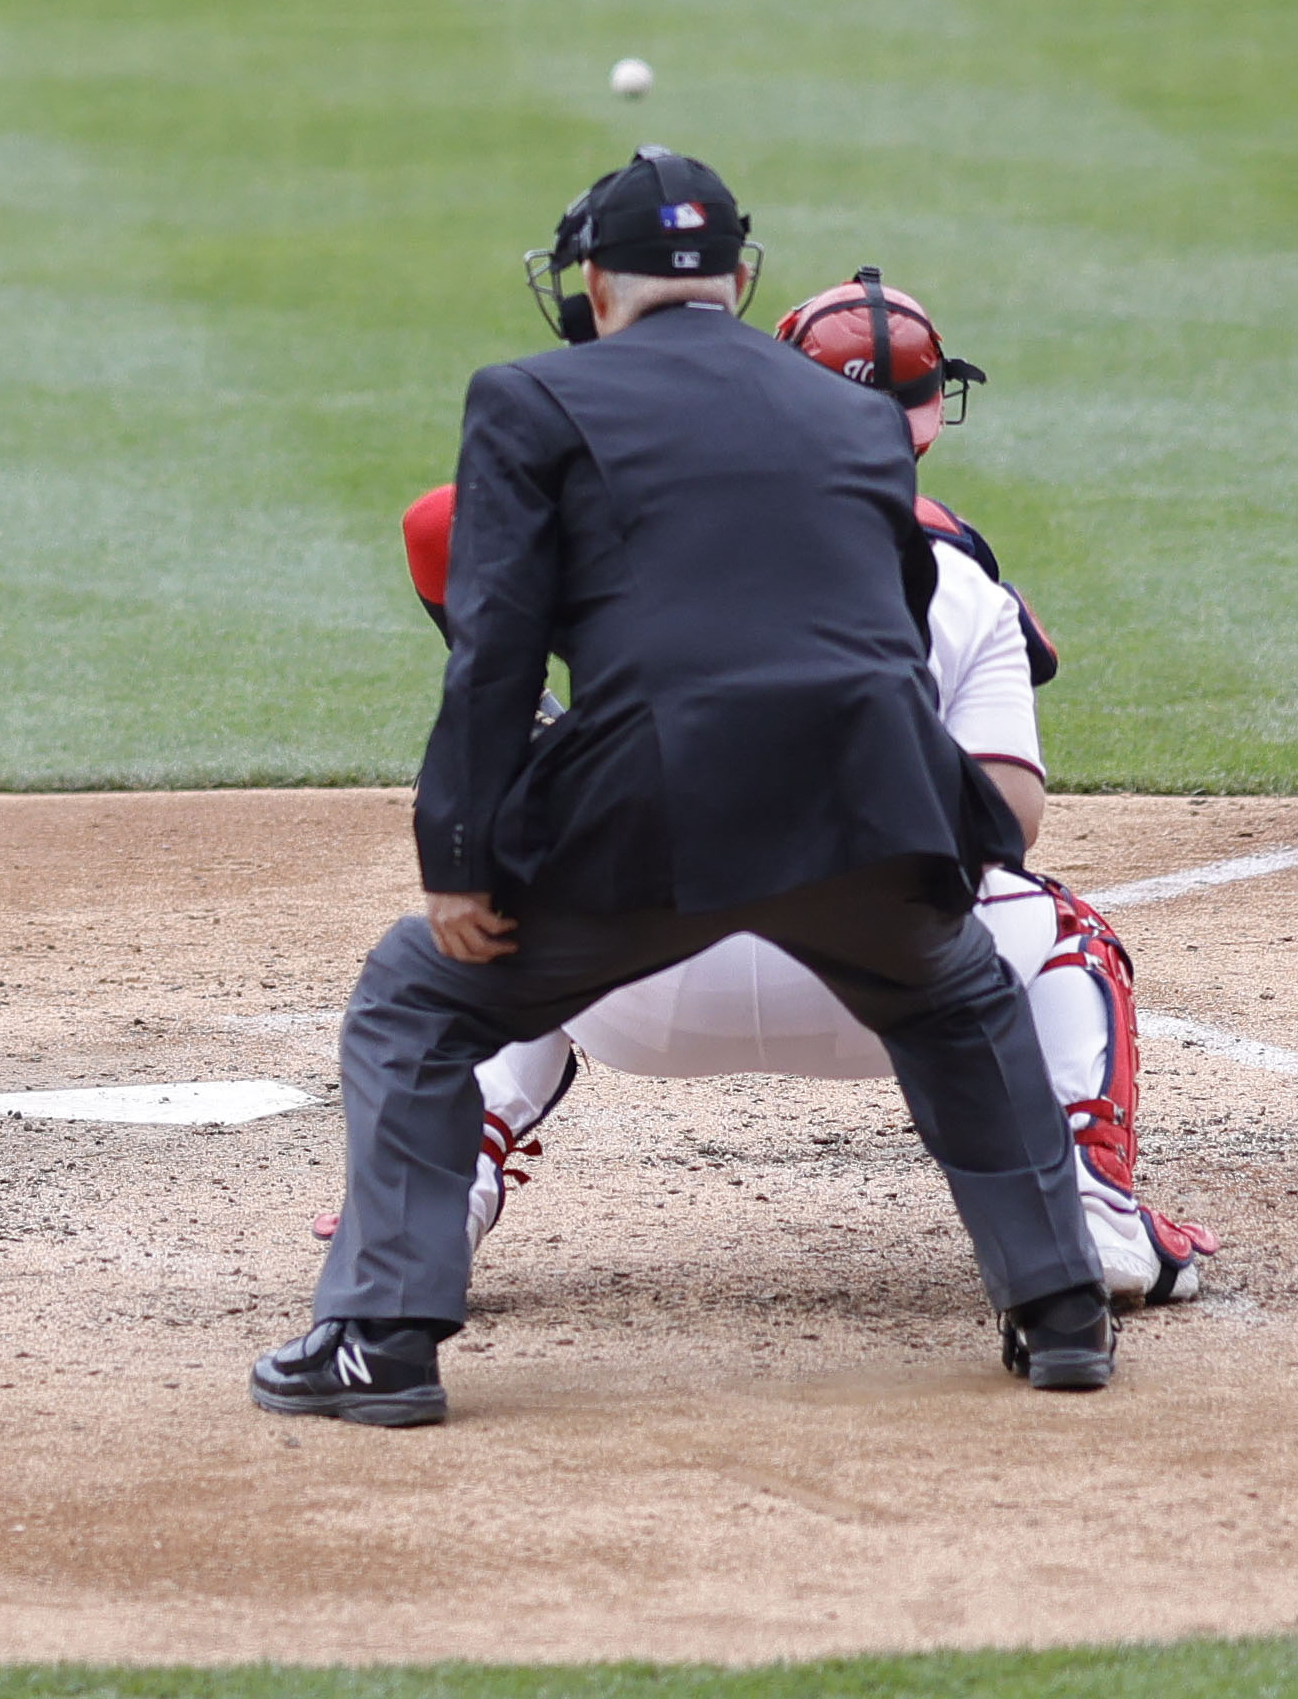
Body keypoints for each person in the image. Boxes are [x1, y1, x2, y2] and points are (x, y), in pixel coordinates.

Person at [255, 151, 1111, 1426]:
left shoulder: (529, 398)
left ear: (589, 283)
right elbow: (898, 614)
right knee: (958, 991)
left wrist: (460, 853)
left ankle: (383, 1339)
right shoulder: (858, 416)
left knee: (416, 997)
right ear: (739, 277)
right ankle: (1062, 1311)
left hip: (654, 807)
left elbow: (494, 651)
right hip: (869, 793)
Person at [402, 271, 1217, 1309]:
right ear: (928, 416)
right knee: (1067, 932)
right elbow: (1006, 820)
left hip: (633, 983)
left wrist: (540, 731)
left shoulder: (630, 523)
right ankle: (1092, 1209)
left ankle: (436, 1199)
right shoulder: (964, 576)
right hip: (886, 985)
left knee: (510, 898)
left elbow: (437, 523)